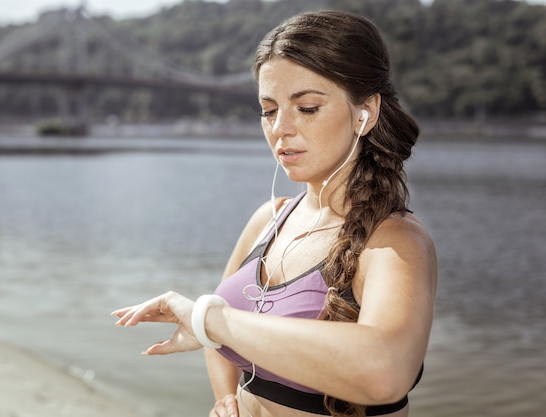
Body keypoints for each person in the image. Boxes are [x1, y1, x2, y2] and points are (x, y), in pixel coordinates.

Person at [111, 10, 438, 417]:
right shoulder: (270, 218)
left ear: (364, 112)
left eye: (307, 108)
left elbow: (385, 372)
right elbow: (217, 326)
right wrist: (225, 397)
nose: (280, 128)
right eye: (269, 110)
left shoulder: (394, 241)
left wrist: (207, 320)